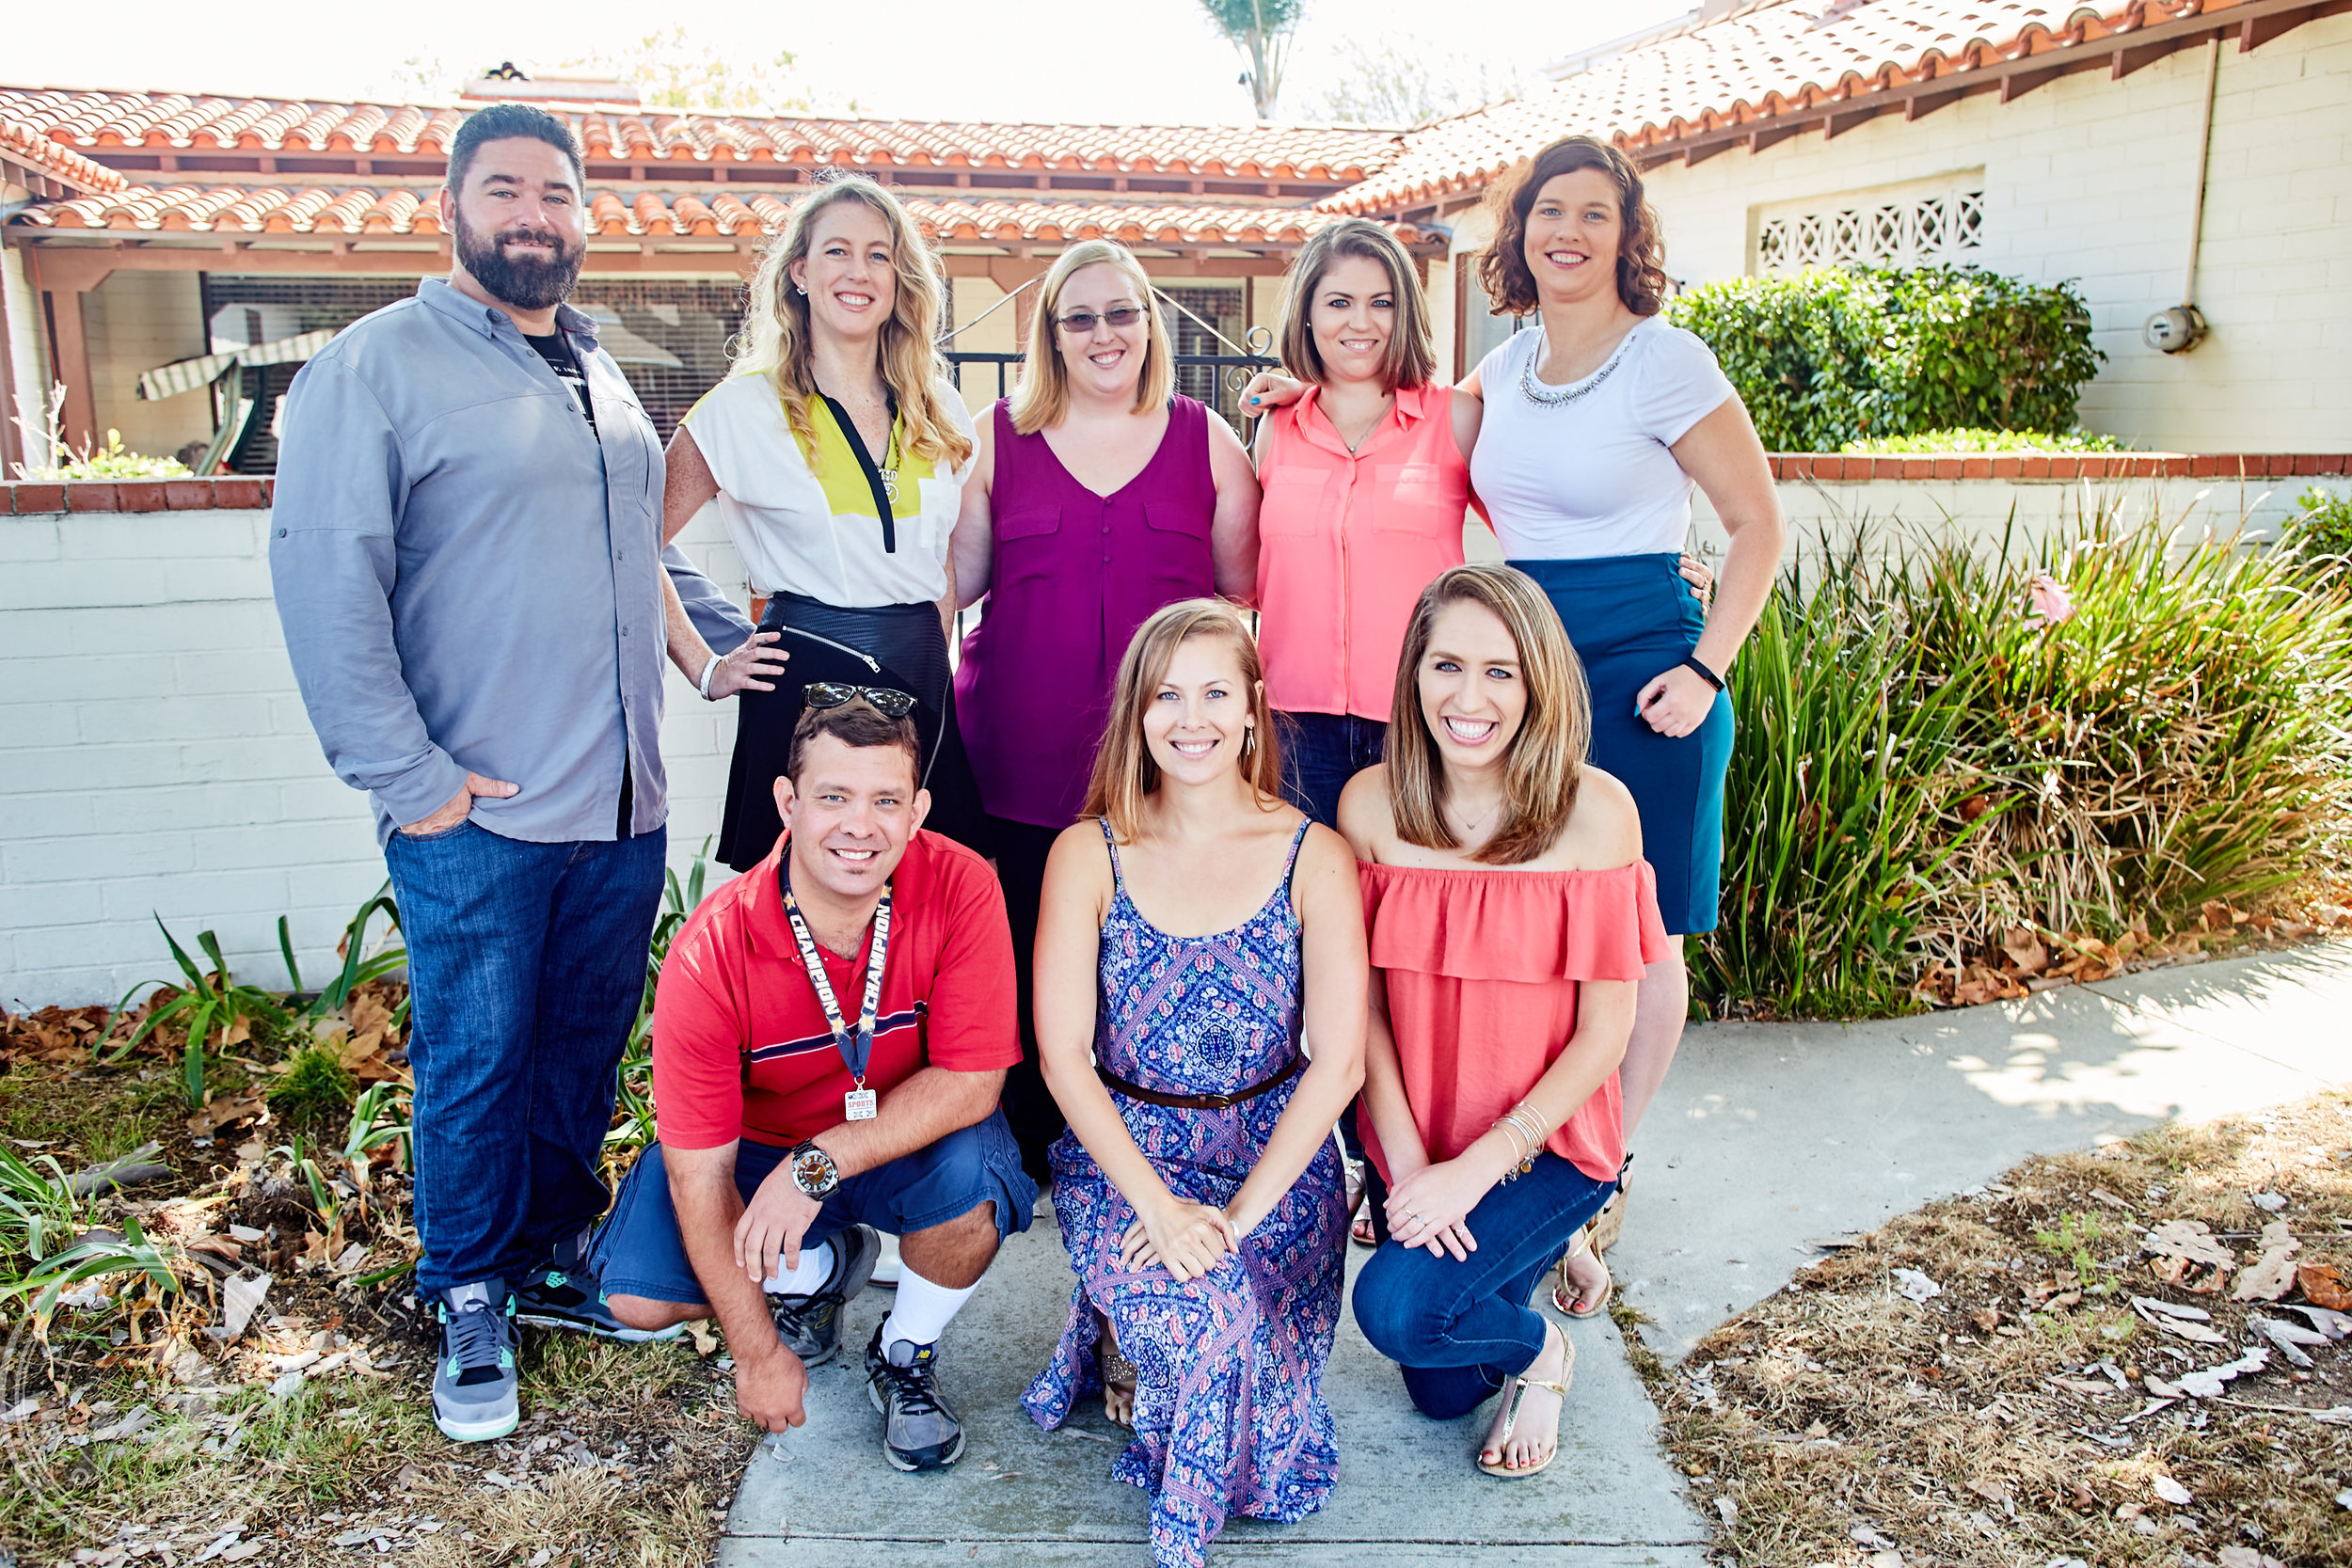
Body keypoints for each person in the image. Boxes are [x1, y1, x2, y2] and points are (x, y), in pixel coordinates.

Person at [270, 103, 769, 1444]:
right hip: (478, 808)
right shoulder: (377, 369)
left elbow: (638, 555)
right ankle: (468, 1283)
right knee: (475, 1057)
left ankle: (549, 1246)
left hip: (617, 803)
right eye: (505, 190)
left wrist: (717, 652)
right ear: (452, 207)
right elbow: (326, 583)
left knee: (576, 1041)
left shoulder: (597, 373)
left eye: (557, 193)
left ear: (584, 217)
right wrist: (411, 776)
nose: (533, 215)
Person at [1248, 140, 1784, 1307]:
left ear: (1625, 233)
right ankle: (1457, 1156)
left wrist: (1706, 661)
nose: (1569, 234)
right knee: (1527, 922)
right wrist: (1303, 390)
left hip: (1648, 662)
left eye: (1595, 214)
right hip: (1526, 668)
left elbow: (1758, 525)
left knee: (1643, 941)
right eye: (1550, 213)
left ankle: (1597, 1170)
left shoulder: (1664, 360)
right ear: (1521, 235)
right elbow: (1392, 423)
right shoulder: (1508, 371)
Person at [588, 696, 1036, 1472]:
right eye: (833, 797)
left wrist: (817, 1164)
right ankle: (823, 1268)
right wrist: (757, 1351)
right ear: (788, 802)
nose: (859, 826)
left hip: (893, 1137)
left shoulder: (961, 885)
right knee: (639, 1297)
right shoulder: (711, 951)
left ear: (918, 809)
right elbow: (701, 1171)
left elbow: (971, 1084)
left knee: (976, 1190)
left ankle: (903, 1350)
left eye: (885, 800)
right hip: (760, 1152)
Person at [1021, 601, 1365, 1568]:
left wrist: (1239, 1216)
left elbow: (1340, 1059)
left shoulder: (1314, 855)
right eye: (1167, 695)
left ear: (1254, 709)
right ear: (1136, 714)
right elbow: (1060, 1053)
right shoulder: (1088, 853)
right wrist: (1159, 1208)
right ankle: (1180, 1540)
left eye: (1215, 691)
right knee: (1204, 1318)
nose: (1191, 717)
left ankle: (1135, 1350)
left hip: (1276, 1164)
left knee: (1272, 1458)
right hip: (1127, 1154)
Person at [1340, 564, 1667, 1478]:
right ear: (1412, 674)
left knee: (1400, 1311)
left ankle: (1544, 1348)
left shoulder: (1595, 814)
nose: (1469, 696)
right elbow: (1360, 1005)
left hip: (1546, 1143)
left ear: (1537, 683)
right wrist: (1405, 1163)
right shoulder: (1370, 807)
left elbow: (1607, 1028)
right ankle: (1533, 1260)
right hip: (1421, 1138)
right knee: (1439, 1385)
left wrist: (1479, 1168)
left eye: (1500, 670)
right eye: (1446, 665)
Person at [950, 240, 1263, 1186]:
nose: (1101, 333)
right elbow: (948, 586)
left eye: (1120, 312)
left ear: (1149, 323)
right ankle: (1025, 1152)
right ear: (1048, 334)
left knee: (1141, 964)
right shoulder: (992, 437)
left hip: (1161, 772)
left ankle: (1138, 1145)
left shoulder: (1204, 437)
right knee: (1019, 961)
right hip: (1015, 762)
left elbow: (1244, 592)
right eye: (1077, 316)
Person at [661, 174, 988, 873]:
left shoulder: (941, 409)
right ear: (800, 272)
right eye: (837, 251)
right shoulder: (740, 410)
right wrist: (705, 664)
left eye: (879, 255)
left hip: (920, 674)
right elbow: (628, 545)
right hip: (802, 679)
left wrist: (934, 655)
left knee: (927, 899)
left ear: (900, 280)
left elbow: (943, 564)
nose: (859, 272)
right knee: (797, 905)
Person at [1252, 216, 1473, 830]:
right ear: (1307, 313)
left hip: (1422, 717)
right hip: (1294, 728)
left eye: (1382, 302)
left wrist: (1666, 560)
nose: (1361, 321)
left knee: (1409, 909)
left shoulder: (1454, 417)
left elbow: (1538, 525)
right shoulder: (1274, 427)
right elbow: (1246, 571)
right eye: (1339, 302)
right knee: (1308, 908)